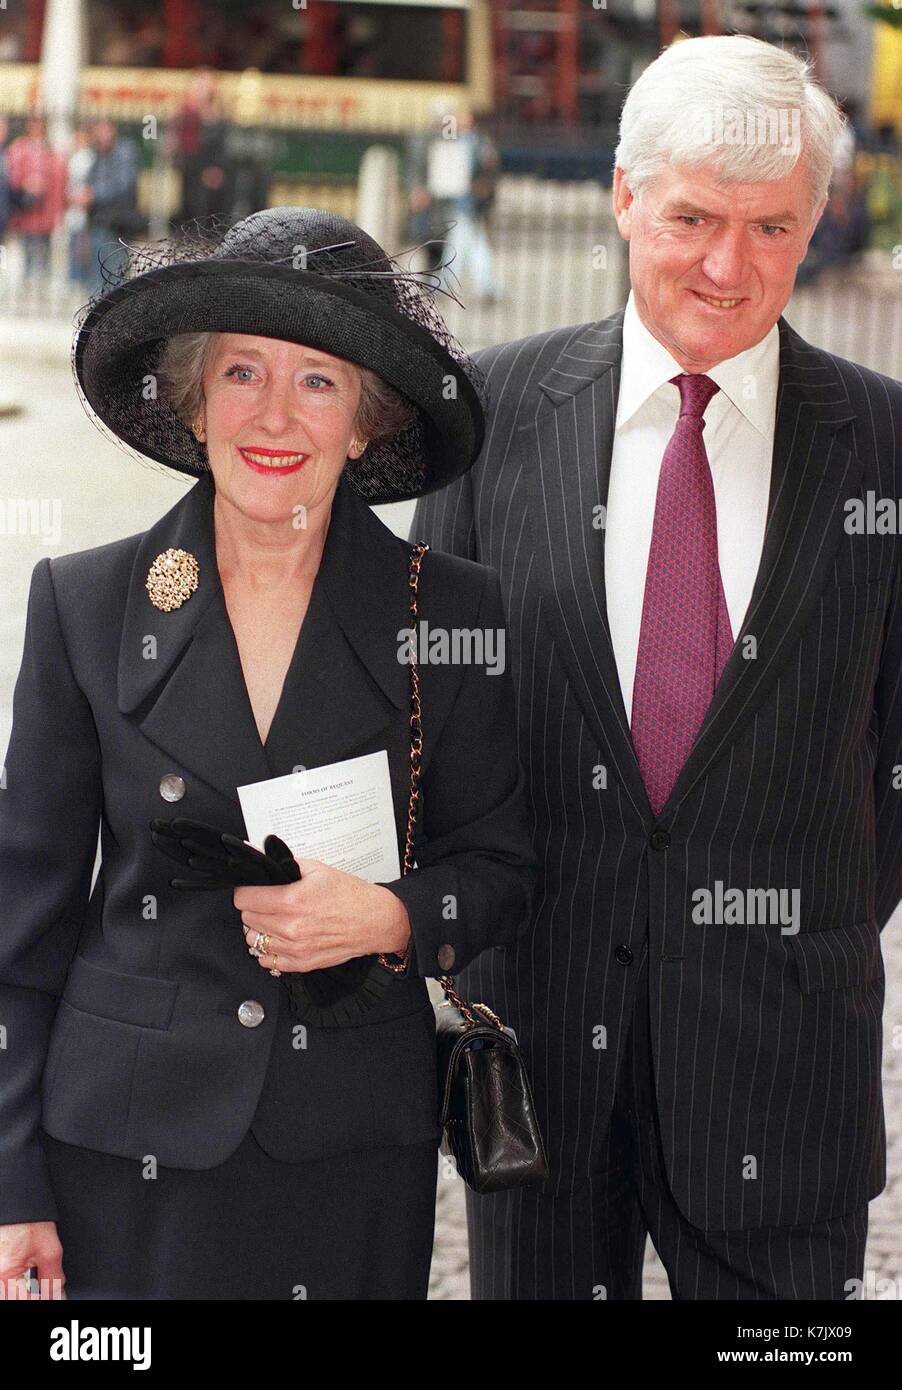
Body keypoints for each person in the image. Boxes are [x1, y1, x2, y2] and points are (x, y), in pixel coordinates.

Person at [413, 34, 901, 1300]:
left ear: (816, 221)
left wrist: (800, 931)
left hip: (784, 1070)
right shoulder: (489, 421)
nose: (728, 268)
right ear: (621, 196)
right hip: (538, 1067)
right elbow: (433, 727)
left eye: (772, 226)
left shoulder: (886, 451)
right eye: (690, 217)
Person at [0, 207, 536, 1300]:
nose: (274, 414)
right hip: (121, 1158)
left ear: (367, 421)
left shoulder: (455, 614)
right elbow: (22, 930)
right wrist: (12, 1187)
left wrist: (391, 916)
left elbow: (504, 866)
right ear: (194, 400)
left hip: (343, 1159)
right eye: (242, 371)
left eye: (319, 381)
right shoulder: (83, 603)